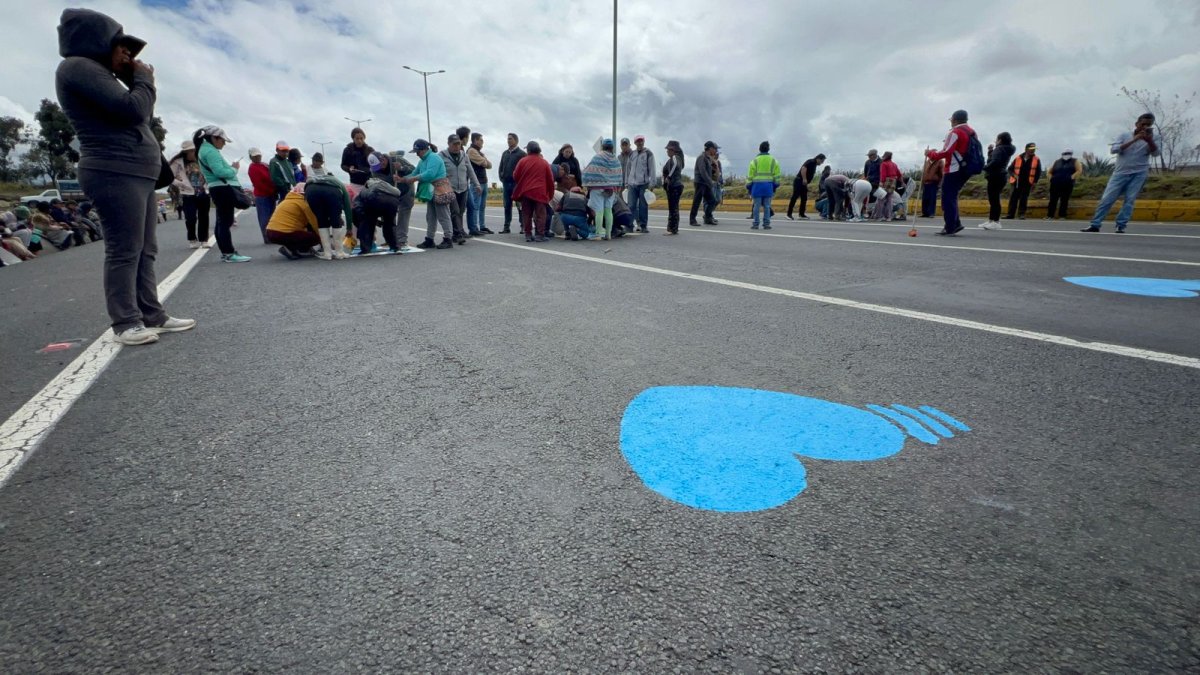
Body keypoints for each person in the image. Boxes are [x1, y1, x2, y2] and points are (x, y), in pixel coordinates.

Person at [55, 8, 196, 344]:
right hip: (113, 170)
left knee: (145, 248)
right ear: (100, 42)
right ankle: (125, 322)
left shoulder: (101, 75)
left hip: (135, 173)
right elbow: (133, 110)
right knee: (124, 249)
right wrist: (144, 80)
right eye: (124, 49)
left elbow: (135, 114)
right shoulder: (78, 67)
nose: (130, 57)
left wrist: (137, 81)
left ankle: (152, 313)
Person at [1082, 113, 1159, 233]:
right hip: (1120, 173)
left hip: (1139, 173)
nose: (1145, 127)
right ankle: (1095, 224)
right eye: (1143, 124)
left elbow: (1156, 153)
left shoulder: (1155, 137)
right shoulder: (1124, 135)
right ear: (1137, 124)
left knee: (1130, 200)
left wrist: (1149, 140)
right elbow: (1114, 150)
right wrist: (1135, 139)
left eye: (1148, 125)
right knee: (1107, 199)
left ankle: (1121, 225)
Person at [194, 125, 251, 262]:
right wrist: (234, 169)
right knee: (225, 221)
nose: (224, 143)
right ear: (214, 138)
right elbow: (220, 172)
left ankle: (226, 252)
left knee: (222, 221)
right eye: (223, 140)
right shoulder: (211, 152)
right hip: (223, 188)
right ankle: (229, 253)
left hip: (217, 188)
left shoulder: (204, 150)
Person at [924, 109, 976, 236]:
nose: (950, 121)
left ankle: (951, 226)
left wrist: (930, 153)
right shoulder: (971, 132)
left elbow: (947, 151)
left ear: (955, 119)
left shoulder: (955, 132)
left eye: (951, 119)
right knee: (951, 196)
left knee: (947, 198)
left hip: (954, 168)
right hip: (967, 168)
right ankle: (955, 223)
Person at [402, 139, 455, 250]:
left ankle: (448, 239)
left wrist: (413, 179)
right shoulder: (423, 160)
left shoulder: (434, 158)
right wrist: (402, 179)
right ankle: (429, 239)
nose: (417, 154)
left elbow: (430, 174)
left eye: (418, 151)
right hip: (430, 190)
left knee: (443, 215)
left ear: (425, 149)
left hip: (440, 188)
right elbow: (414, 173)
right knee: (430, 216)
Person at [350, 152, 404, 255]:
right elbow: (398, 192)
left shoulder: (360, 196)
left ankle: (366, 250)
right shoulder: (382, 184)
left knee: (366, 224)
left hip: (373, 201)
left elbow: (360, 215)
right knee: (390, 223)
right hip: (392, 202)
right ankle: (395, 247)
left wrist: (369, 224)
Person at [439, 134, 482, 241]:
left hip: (463, 188)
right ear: (449, 144)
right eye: (454, 144)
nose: (457, 146)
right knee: (455, 211)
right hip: (450, 188)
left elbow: (470, 171)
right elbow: (438, 170)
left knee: (461, 211)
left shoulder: (464, 155)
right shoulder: (442, 155)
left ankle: (459, 230)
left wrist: (476, 184)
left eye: (458, 144)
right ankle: (457, 234)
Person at [300, 174, 353, 260]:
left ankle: (327, 253)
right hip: (333, 192)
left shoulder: (314, 179)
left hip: (311, 190)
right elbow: (347, 209)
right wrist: (349, 228)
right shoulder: (339, 183)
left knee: (321, 220)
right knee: (336, 221)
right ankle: (339, 253)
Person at [512, 141, 555, 242]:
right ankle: (540, 235)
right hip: (540, 192)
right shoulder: (544, 162)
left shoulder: (522, 161)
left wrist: (523, 182)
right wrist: (550, 195)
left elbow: (515, 176)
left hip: (526, 192)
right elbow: (550, 180)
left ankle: (528, 234)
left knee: (527, 213)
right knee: (541, 214)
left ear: (528, 150)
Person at [582, 138, 624, 241]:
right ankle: (608, 234)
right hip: (611, 189)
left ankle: (598, 234)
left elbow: (588, 171)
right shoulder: (615, 159)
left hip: (597, 188)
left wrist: (587, 183)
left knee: (599, 211)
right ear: (612, 148)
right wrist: (616, 187)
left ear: (602, 147)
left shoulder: (597, 157)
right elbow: (619, 174)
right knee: (608, 210)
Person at [980, 132, 1015, 229]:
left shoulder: (999, 149)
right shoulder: (1006, 149)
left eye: (997, 139)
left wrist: (985, 168)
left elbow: (995, 162)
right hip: (1001, 176)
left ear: (1000, 140)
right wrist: (991, 151)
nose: (995, 141)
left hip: (995, 176)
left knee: (994, 200)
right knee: (994, 199)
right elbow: (995, 159)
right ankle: (992, 220)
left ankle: (996, 221)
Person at [746, 141, 781, 230]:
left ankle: (756, 224)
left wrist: (749, 186)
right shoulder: (774, 161)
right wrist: (775, 186)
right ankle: (766, 224)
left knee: (756, 206)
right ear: (768, 149)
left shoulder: (754, 161)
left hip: (757, 187)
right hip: (768, 187)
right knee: (767, 206)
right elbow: (777, 177)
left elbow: (750, 176)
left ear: (759, 149)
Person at [625, 135, 656, 232]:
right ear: (635, 143)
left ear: (644, 142)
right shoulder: (632, 154)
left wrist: (652, 183)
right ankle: (629, 226)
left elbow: (652, 169)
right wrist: (626, 182)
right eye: (638, 141)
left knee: (643, 206)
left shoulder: (648, 153)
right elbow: (628, 169)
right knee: (631, 206)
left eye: (641, 141)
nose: (640, 143)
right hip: (632, 184)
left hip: (644, 184)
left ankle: (643, 226)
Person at [246, 147, 275, 244]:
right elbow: (258, 184)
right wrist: (271, 190)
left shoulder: (264, 165)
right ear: (250, 157)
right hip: (262, 195)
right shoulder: (252, 168)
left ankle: (273, 236)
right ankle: (267, 238)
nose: (257, 157)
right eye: (255, 156)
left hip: (271, 194)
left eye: (259, 155)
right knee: (264, 218)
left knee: (272, 216)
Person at [1005, 143, 1041, 220]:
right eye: (1031, 149)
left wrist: (1035, 182)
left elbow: (1038, 172)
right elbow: (1010, 169)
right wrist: (1014, 175)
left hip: (1027, 182)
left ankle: (1021, 214)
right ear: (1026, 149)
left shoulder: (1036, 159)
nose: (1033, 150)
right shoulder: (1018, 158)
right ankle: (1010, 214)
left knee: (1023, 198)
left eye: (1034, 149)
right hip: (1016, 182)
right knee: (1013, 198)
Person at [467, 133, 494, 235]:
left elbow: (489, 165)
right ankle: (474, 228)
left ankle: (482, 226)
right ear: (475, 141)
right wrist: (484, 160)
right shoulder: (471, 151)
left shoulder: (479, 152)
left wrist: (484, 160)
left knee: (482, 206)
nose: (482, 142)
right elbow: (484, 163)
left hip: (484, 181)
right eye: (481, 140)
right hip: (476, 183)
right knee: (475, 206)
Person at [498, 133, 525, 234]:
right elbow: (501, 167)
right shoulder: (505, 153)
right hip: (506, 183)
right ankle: (506, 227)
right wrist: (501, 177)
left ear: (516, 141)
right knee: (507, 205)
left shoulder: (521, 154)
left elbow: (523, 169)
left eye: (510, 139)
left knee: (520, 206)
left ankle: (523, 226)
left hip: (516, 184)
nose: (508, 141)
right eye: (508, 139)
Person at [690, 141, 720, 226]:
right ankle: (692, 220)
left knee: (712, 201)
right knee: (697, 201)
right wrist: (710, 182)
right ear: (710, 149)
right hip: (700, 183)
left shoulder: (708, 158)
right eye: (715, 149)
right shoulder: (701, 157)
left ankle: (707, 218)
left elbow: (709, 171)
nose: (716, 151)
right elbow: (703, 171)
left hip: (706, 183)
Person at [1046, 149, 1082, 220]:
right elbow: (1050, 172)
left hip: (1067, 183)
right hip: (1055, 183)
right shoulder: (1057, 162)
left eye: (1068, 153)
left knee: (1064, 200)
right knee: (1053, 200)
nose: (1066, 155)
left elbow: (1079, 170)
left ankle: (1062, 215)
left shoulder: (1075, 161)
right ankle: (1050, 215)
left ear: (1071, 154)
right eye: (1065, 153)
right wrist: (1051, 178)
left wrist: (1071, 177)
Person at [787, 153, 824, 220]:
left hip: (804, 183)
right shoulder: (811, 161)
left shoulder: (814, 164)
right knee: (795, 197)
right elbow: (803, 168)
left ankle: (801, 214)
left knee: (804, 198)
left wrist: (806, 182)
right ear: (818, 159)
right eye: (821, 161)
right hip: (799, 181)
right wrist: (804, 179)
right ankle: (789, 214)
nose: (821, 163)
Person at [661, 140, 685, 235]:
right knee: (673, 208)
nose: (667, 151)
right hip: (673, 186)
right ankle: (672, 228)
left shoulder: (675, 158)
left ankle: (673, 229)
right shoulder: (673, 159)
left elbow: (674, 166)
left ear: (673, 150)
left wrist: (669, 177)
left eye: (668, 149)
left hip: (675, 186)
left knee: (673, 208)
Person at [921, 154, 944, 218]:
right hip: (926, 182)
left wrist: (940, 184)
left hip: (933, 183)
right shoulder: (926, 162)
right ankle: (925, 213)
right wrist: (922, 182)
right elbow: (924, 173)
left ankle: (931, 213)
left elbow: (942, 173)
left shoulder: (939, 161)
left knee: (932, 198)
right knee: (925, 198)